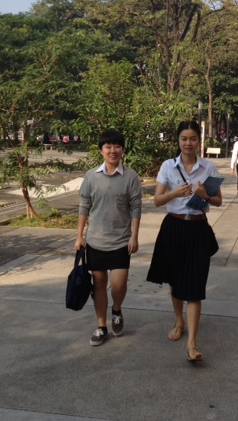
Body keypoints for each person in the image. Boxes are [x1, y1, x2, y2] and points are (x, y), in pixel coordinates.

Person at [146, 121, 223, 362]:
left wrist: (205, 196)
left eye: (192, 138)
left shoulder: (208, 167)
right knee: (176, 280)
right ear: (177, 141)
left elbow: (218, 200)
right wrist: (174, 193)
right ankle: (179, 322)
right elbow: (158, 200)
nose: (188, 143)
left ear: (199, 141)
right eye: (183, 139)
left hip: (198, 228)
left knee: (195, 286)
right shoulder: (168, 166)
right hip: (174, 226)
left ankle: (192, 344)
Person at [75, 130, 142, 346]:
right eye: (108, 146)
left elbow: (136, 207)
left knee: (119, 284)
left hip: (121, 241)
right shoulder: (91, 176)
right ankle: (101, 326)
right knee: (99, 283)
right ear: (101, 150)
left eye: (117, 146)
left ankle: (117, 309)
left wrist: (134, 236)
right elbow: (84, 204)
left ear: (122, 149)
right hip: (95, 241)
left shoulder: (130, 176)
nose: (113, 150)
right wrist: (79, 236)